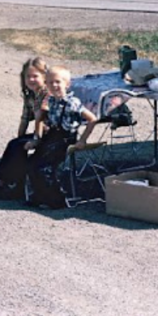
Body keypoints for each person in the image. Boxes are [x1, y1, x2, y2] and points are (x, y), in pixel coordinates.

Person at [25, 66, 99, 209]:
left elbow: (92, 119)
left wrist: (82, 140)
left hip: (66, 138)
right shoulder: (51, 101)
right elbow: (44, 118)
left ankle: (56, 200)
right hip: (53, 135)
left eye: (58, 82)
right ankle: (40, 195)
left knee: (45, 167)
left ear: (67, 84)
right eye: (50, 82)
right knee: (32, 162)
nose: (54, 85)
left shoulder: (72, 102)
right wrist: (37, 136)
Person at [0, 57, 49, 201]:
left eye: (35, 76)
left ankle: (6, 186)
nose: (31, 79)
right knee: (16, 145)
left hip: (53, 133)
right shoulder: (30, 94)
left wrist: (35, 140)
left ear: (44, 77)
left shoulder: (47, 94)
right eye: (28, 76)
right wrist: (20, 137)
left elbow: (40, 119)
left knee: (17, 145)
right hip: (41, 132)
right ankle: (12, 186)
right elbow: (25, 118)